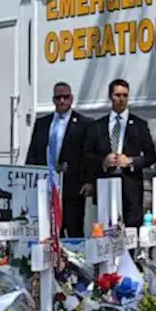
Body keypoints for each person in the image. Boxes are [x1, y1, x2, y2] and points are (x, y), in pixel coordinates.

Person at [86, 79, 156, 228]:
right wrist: (103, 162)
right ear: (110, 96)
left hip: (130, 186)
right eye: (117, 95)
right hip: (106, 184)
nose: (121, 99)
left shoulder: (139, 125)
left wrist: (131, 161)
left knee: (131, 231)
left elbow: (151, 156)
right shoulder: (97, 126)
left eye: (125, 95)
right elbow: (86, 156)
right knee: (106, 230)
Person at [27, 82, 91, 237]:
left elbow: (89, 156)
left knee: (74, 228)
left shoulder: (84, 124)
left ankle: (72, 260)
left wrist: (89, 181)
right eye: (58, 97)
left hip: (72, 187)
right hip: (46, 185)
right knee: (49, 229)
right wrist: (29, 177)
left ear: (72, 98)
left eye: (66, 97)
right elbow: (33, 153)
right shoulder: (42, 123)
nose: (62, 101)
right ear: (53, 99)